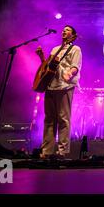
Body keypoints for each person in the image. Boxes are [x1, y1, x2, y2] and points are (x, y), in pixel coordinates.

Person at [35, 25, 82, 158]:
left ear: (73, 35)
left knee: (63, 119)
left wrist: (70, 74)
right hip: (51, 86)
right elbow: (48, 67)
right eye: (63, 30)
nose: (64, 31)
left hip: (65, 86)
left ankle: (62, 151)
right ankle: (46, 151)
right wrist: (41, 57)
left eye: (67, 30)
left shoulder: (75, 49)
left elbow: (75, 66)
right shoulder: (55, 49)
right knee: (49, 119)